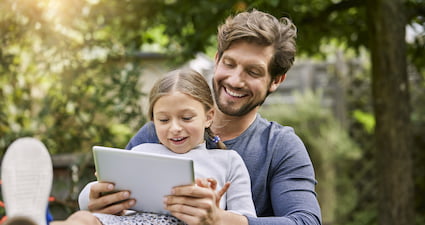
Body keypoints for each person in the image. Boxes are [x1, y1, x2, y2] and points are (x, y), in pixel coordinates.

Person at [80, 9, 322, 225]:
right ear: (216, 60)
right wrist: (98, 200)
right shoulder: (153, 134)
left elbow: (305, 221)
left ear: (276, 80)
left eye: (253, 71)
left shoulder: (279, 146)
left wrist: (221, 220)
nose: (235, 80)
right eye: (229, 64)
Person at [78, 68, 256, 224]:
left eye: (186, 118)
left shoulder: (227, 161)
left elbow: (247, 218)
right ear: (153, 121)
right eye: (163, 120)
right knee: (80, 219)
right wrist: (97, 192)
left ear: (209, 117)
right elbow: (89, 201)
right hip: (129, 221)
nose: (175, 128)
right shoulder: (140, 152)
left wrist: (217, 216)